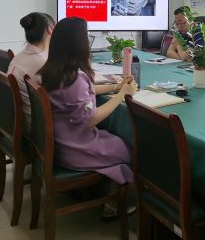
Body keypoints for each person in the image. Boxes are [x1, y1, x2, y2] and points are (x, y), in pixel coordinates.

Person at [39, 17, 137, 188]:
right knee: (132, 148)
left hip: (62, 144)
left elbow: (85, 91)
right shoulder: (76, 79)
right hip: (78, 150)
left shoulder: (54, 70)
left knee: (116, 138)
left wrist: (116, 86)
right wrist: (123, 94)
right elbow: (90, 119)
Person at [8, 12, 55, 135]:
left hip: (22, 122)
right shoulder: (42, 62)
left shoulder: (19, 57)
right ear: (50, 29)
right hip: (37, 129)